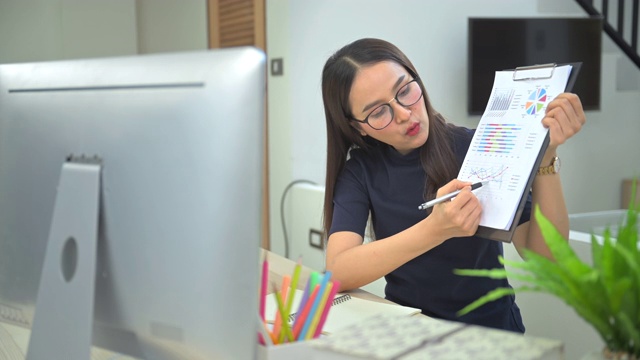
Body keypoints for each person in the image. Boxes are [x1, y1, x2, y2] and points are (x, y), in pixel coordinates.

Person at [320, 38, 585, 333]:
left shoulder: (476, 148)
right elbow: (338, 272)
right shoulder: (360, 170)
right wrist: (435, 230)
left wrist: (545, 159)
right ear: (357, 126)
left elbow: (546, 260)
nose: (404, 114)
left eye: (405, 90)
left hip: (491, 335)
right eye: (379, 112)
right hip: (410, 331)